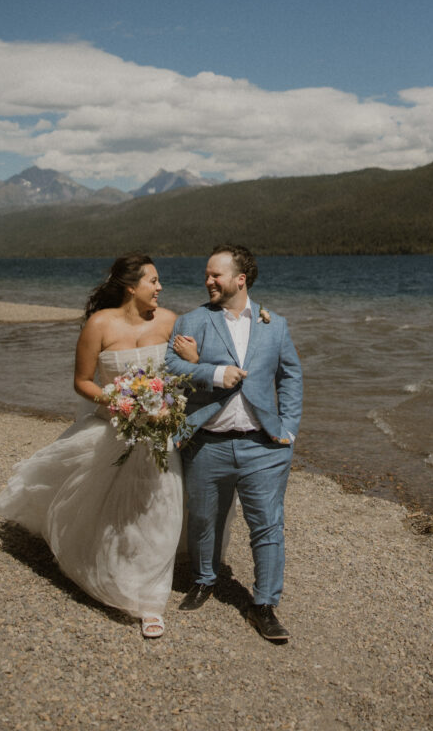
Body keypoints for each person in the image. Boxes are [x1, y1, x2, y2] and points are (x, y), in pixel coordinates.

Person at [0, 253, 197, 639]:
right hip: (114, 426)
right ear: (131, 287)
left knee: (160, 506)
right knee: (110, 508)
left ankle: (150, 599)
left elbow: (189, 369)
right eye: (153, 281)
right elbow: (82, 381)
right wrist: (121, 401)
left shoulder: (170, 321)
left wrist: (191, 361)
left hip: (159, 431)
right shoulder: (99, 325)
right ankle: (112, 567)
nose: (160, 287)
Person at [165, 244, 302, 641]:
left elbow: (291, 376)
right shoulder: (192, 320)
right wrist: (213, 372)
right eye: (207, 275)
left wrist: (289, 427)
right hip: (206, 443)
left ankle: (264, 604)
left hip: (265, 445)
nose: (208, 280)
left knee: (268, 524)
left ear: (241, 279)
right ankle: (204, 580)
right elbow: (171, 366)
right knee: (203, 518)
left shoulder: (275, 324)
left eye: (216, 275)